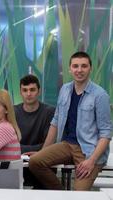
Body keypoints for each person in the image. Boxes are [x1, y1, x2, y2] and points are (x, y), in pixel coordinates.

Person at [29, 51, 112, 190]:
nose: (79, 70)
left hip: (89, 151)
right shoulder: (65, 90)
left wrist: (92, 161)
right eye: (75, 66)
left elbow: (106, 133)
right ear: (69, 69)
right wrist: (43, 151)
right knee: (35, 162)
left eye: (84, 66)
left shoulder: (100, 95)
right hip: (67, 144)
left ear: (90, 68)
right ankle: (62, 193)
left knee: (78, 195)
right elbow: (55, 121)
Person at [14, 74, 55, 188]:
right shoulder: (13, 112)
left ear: (39, 91)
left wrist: (22, 149)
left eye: (32, 90)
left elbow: (50, 144)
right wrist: (37, 150)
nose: (28, 94)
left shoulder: (50, 112)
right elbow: (11, 145)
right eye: (25, 90)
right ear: (20, 92)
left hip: (42, 163)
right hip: (17, 164)